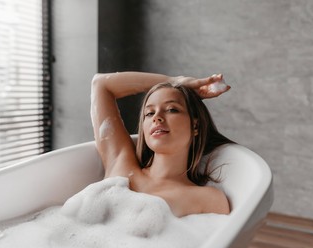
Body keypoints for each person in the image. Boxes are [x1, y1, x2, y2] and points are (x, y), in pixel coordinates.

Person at [91, 72, 234, 217]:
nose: (157, 118)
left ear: (195, 126)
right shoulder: (121, 165)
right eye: (149, 113)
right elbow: (101, 84)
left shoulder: (207, 199)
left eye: (172, 109)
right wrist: (176, 80)